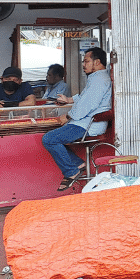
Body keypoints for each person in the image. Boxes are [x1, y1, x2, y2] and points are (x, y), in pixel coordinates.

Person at [41, 47, 113, 190]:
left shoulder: (99, 80)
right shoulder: (96, 78)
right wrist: (68, 100)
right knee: (52, 139)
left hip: (86, 125)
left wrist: (68, 116)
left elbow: (87, 104)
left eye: (86, 61)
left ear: (97, 62)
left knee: (49, 139)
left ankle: (72, 170)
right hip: (82, 122)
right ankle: (78, 164)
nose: (83, 64)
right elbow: (85, 97)